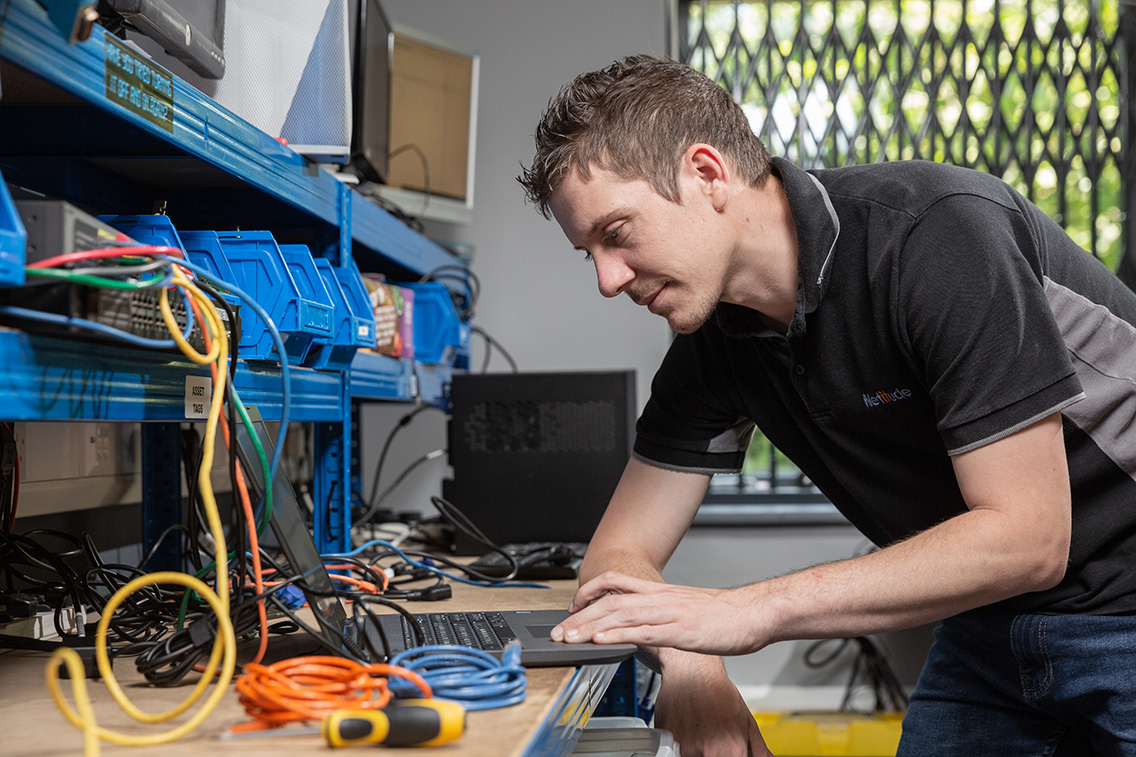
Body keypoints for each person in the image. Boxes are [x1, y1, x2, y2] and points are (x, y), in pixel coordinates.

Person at [517, 54, 1136, 757]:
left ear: (707, 174)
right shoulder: (716, 340)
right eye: (587, 252)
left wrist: (743, 611)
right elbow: (615, 558)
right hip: (986, 626)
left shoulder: (935, 236)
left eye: (617, 233)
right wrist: (688, 658)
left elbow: (1029, 538)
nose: (606, 279)